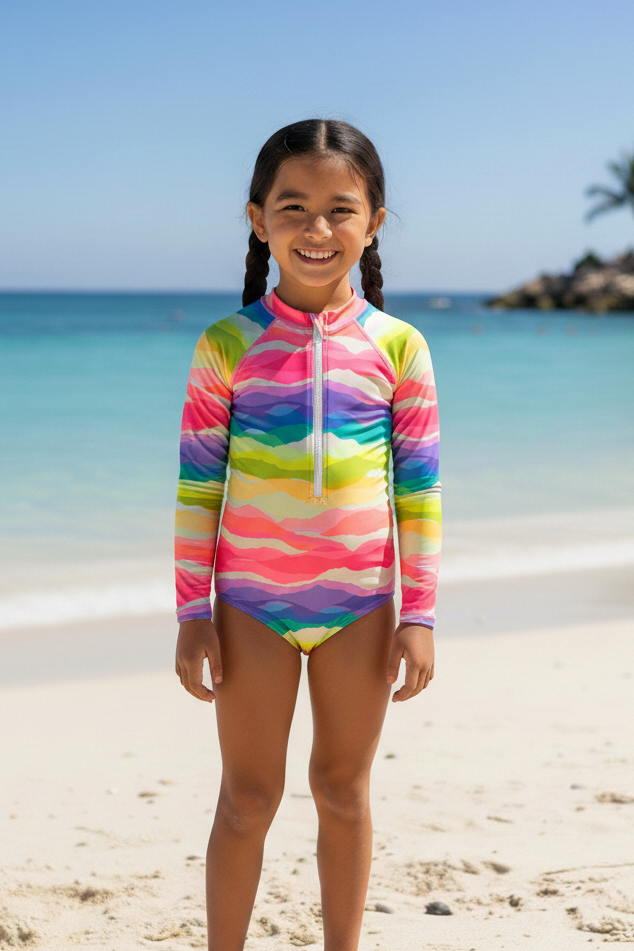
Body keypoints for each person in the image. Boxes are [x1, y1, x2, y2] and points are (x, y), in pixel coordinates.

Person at [174, 118, 441, 951]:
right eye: (294, 207)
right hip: (251, 606)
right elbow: (198, 490)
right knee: (247, 798)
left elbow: (420, 496)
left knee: (343, 790)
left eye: (340, 209)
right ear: (258, 218)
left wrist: (419, 614)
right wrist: (192, 611)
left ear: (375, 222)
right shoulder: (228, 347)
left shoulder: (399, 349)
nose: (317, 229)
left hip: (360, 606)